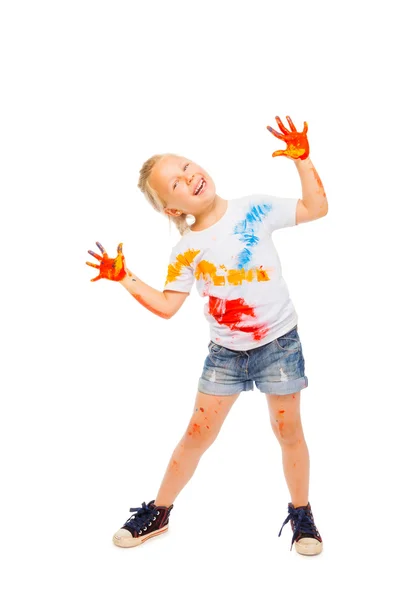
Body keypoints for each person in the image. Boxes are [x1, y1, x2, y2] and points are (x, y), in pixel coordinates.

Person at [86, 115, 328, 556]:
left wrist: (304, 161)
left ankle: (302, 515)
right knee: (196, 436)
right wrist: (124, 278)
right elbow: (166, 306)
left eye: (187, 166)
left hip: (279, 345)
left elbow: (316, 208)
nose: (188, 177)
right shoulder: (186, 251)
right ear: (172, 209)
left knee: (289, 432)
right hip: (226, 355)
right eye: (175, 183)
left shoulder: (255, 208)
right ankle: (159, 511)